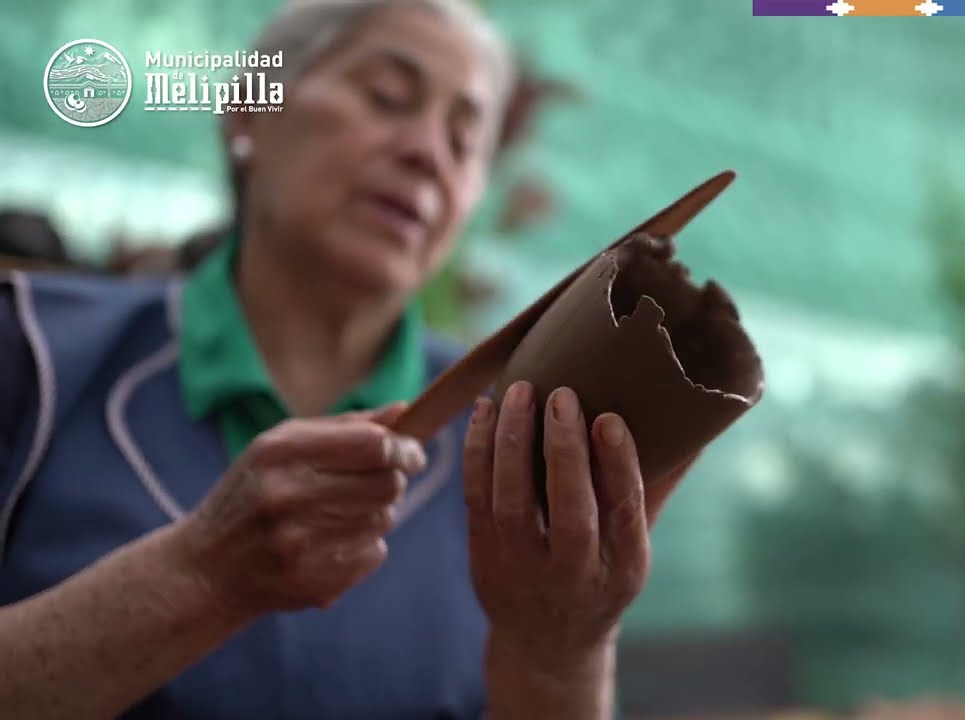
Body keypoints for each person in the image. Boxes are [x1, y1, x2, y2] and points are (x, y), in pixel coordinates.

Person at [0, 1, 689, 717]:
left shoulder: (515, 440)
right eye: (387, 97)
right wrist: (201, 577)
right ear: (247, 113)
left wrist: (564, 656)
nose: (427, 151)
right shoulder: (36, 356)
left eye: (464, 141)